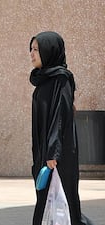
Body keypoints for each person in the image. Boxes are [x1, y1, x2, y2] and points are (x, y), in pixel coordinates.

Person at [29, 31, 93, 225]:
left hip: (58, 153)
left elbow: (60, 117)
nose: (31, 54)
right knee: (47, 198)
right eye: (30, 49)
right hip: (45, 150)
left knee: (63, 199)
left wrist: (53, 152)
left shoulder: (61, 79)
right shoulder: (42, 80)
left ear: (49, 51)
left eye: (36, 49)